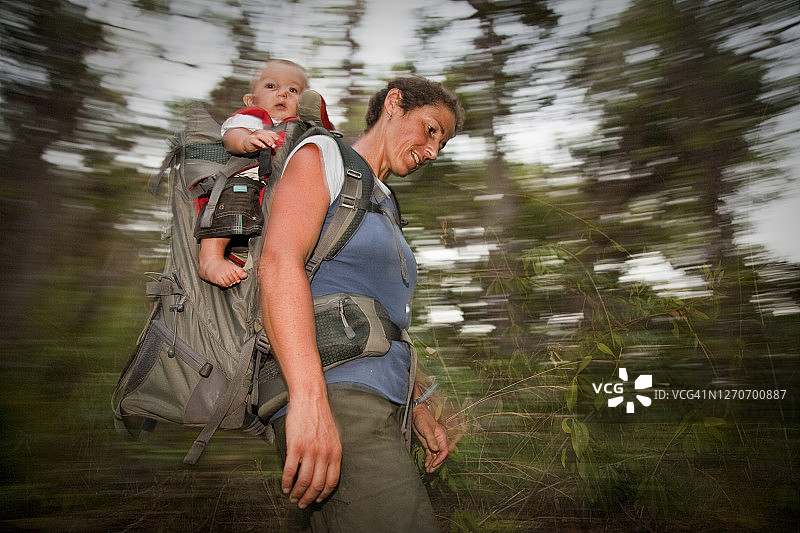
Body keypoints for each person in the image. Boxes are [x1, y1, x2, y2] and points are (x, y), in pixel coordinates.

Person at [259, 76, 464, 532]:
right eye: (431, 130)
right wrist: (310, 403)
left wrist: (418, 403)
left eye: (443, 144)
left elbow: (383, 320)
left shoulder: (384, 202)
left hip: (378, 401)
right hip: (339, 398)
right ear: (395, 103)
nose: (433, 151)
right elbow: (278, 264)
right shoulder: (324, 157)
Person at [196, 59, 311, 287]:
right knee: (238, 192)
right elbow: (232, 135)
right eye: (271, 86)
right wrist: (247, 139)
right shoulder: (254, 117)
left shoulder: (304, 128)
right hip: (251, 177)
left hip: (283, 190)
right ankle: (210, 258)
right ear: (251, 99)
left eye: (293, 90)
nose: (282, 94)